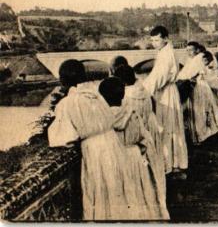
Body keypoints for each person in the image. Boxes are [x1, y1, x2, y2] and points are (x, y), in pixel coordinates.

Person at [47, 59, 131, 221]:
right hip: (113, 143)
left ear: (63, 80)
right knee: (116, 191)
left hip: (94, 150)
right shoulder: (96, 95)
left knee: (100, 193)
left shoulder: (68, 103)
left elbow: (63, 137)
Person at [99, 77, 169, 221]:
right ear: (123, 95)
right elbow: (144, 137)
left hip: (114, 160)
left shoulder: (102, 119)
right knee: (140, 193)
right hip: (134, 158)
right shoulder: (132, 113)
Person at [143, 24, 188, 175]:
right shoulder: (166, 51)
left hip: (165, 93)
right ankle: (176, 162)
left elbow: (158, 78)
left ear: (165, 39)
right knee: (172, 126)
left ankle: (171, 163)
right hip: (168, 91)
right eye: (152, 40)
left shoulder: (166, 55)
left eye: (157, 40)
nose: (154, 43)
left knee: (167, 127)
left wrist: (142, 91)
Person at [115, 64, 165, 180]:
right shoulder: (144, 90)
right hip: (150, 126)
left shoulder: (125, 96)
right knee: (153, 160)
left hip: (137, 132)